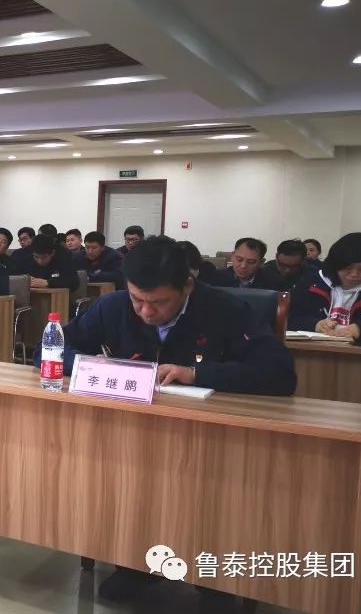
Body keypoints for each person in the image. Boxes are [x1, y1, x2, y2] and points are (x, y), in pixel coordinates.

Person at [62, 236, 296, 605]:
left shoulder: (225, 309)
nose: (145, 312)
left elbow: (280, 373)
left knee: (208, 502)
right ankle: (134, 564)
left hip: (210, 444)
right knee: (124, 483)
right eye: (137, 299)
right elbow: (55, 347)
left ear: (187, 285)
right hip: (131, 437)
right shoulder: (113, 306)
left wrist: (197, 374)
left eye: (158, 302)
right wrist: (88, 363)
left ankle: (213, 580)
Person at [289, 233, 361, 345]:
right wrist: (315, 324)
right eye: (348, 268)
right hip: (312, 350)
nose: (354, 274)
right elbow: (288, 318)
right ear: (335, 265)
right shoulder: (311, 283)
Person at [9, 234, 79, 290]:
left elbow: (73, 282)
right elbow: (13, 278)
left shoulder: (64, 256)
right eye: (36, 257)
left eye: (44, 257)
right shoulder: (25, 258)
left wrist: (48, 282)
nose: (40, 261)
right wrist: (25, 280)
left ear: (52, 253)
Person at [212, 237, 282, 290]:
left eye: (251, 262)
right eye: (239, 259)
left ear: (261, 262)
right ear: (232, 256)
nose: (243, 266)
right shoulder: (216, 279)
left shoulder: (274, 283)